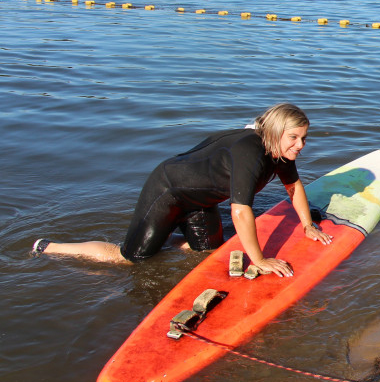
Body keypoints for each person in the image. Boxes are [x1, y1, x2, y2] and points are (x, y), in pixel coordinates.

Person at [32, 104, 333, 277]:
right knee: (129, 259)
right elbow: (240, 210)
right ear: (275, 132)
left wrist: (307, 225)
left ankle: (164, 237)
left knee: (206, 251)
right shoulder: (250, 151)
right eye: (294, 137)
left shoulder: (280, 152)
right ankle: (49, 246)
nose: (300, 145)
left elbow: (294, 187)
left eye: (304, 138)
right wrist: (260, 259)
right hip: (168, 191)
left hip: (201, 201)